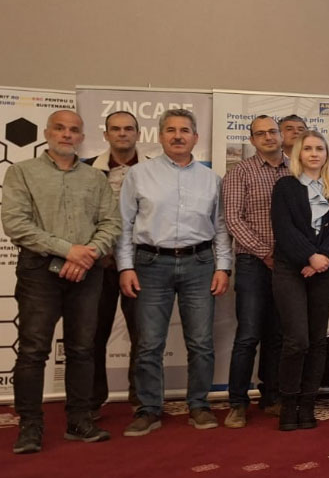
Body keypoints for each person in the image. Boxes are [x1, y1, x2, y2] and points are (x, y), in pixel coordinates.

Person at [3, 110, 121, 454]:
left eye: (74, 130)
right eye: (60, 128)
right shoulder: (22, 172)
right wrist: (69, 251)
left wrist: (88, 254)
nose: (67, 134)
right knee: (33, 350)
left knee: (82, 348)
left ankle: (79, 421)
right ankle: (30, 426)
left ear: (82, 137)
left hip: (87, 271)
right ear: (47, 132)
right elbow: (16, 224)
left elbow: (111, 223)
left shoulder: (95, 178)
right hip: (39, 271)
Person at [117, 108, 232, 436]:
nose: (178, 136)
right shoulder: (139, 174)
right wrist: (125, 266)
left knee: (201, 342)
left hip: (200, 264)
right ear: (160, 136)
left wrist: (223, 267)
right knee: (149, 343)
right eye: (171, 130)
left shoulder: (211, 179)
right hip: (150, 265)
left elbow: (221, 228)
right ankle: (149, 408)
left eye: (184, 130)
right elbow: (124, 225)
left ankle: (199, 405)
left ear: (196, 137)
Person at [271, 130, 329, 431]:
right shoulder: (285, 187)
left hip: (324, 269)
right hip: (290, 269)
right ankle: (288, 404)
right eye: (308, 149)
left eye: (320, 149)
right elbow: (284, 228)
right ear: (298, 154)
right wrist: (309, 257)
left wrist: (323, 259)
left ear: (327, 154)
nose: (314, 154)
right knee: (297, 340)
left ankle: (307, 405)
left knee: (318, 341)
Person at [221, 115, 290, 428]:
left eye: (272, 131)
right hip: (253, 263)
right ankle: (237, 402)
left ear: (281, 135)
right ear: (252, 140)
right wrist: (265, 253)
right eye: (260, 133)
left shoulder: (296, 169)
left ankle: (272, 396)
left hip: (289, 264)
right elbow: (233, 219)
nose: (268, 137)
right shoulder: (240, 172)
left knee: (278, 335)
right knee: (248, 335)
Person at [85, 110, 149, 420]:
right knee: (93, 334)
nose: (122, 133)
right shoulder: (87, 169)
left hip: (141, 264)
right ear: (106, 134)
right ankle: (92, 400)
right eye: (115, 129)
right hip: (97, 265)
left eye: (128, 128)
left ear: (138, 133)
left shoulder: (153, 169)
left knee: (144, 335)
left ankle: (141, 399)